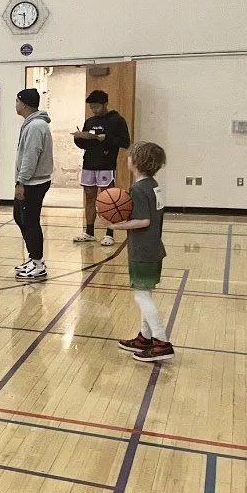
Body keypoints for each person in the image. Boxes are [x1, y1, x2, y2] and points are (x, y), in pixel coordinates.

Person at [110, 142, 173, 362]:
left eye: (130, 156)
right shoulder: (153, 185)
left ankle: (161, 342)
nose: (127, 159)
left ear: (136, 162)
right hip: (154, 247)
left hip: (143, 251)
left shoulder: (138, 189)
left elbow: (143, 220)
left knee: (141, 296)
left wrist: (116, 226)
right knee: (146, 294)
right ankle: (145, 338)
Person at [72, 90, 131, 247]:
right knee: (89, 197)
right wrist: (78, 138)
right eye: (91, 107)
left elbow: (125, 142)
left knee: (108, 200)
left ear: (105, 104)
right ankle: (89, 231)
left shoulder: (117, 120)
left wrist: (107, 139)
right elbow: (84, 144)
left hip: (106, 164)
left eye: (96, 106)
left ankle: (109, 232)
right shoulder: (90, 121)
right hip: (89, 164)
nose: (94, 110)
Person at [14, 88, 54, 281]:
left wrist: (21, 182)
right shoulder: (33, 124)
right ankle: (33, 258)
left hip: (33, 182)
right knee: (19, 217)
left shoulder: (36, 126)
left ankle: (38, 264)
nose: (16, 105)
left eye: (17, 101)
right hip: (31, 181)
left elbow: (31, 157)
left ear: (25, 104)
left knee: (30, 222)